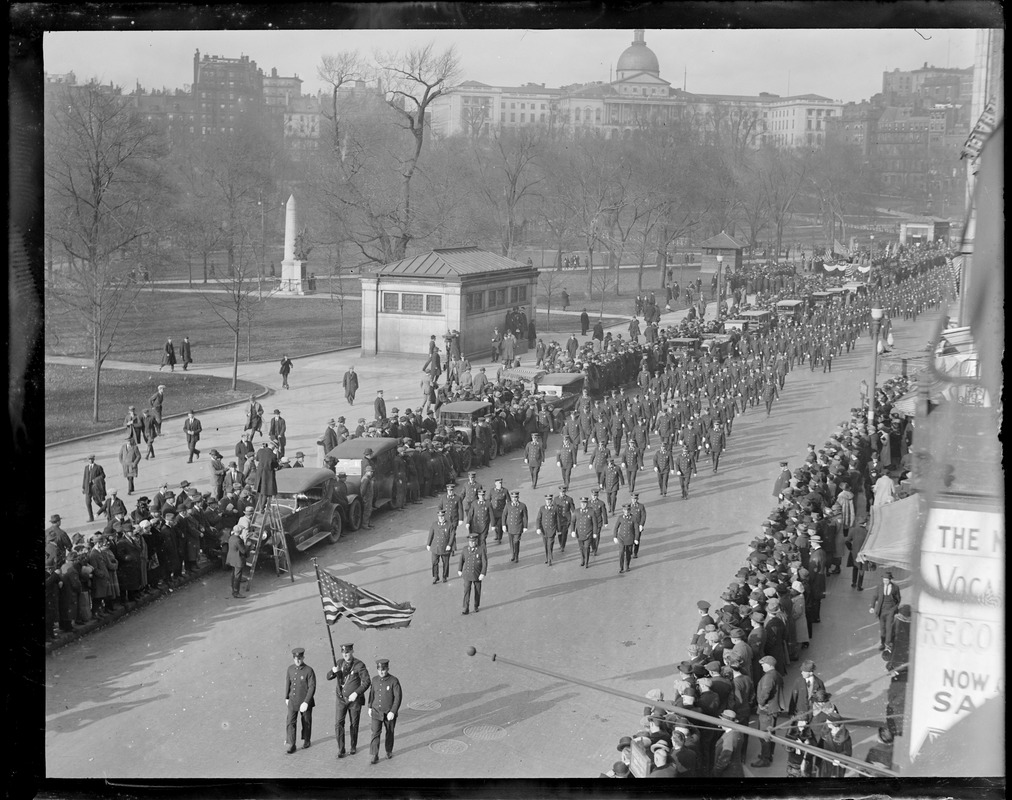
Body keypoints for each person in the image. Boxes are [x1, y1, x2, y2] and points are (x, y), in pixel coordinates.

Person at [327, 643, 371, 758]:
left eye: (347, 652)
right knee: (338, 723)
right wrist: (333, 671)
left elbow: (367, 682)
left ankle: (353, 746)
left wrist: (356, 693)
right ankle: (341, 749)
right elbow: (328, 677)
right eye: (344, 653)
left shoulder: (359, 665)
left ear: (352, 651)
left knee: (354, 724)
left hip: (354, 701)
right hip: (341, 699)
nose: (345, 655)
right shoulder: (339, 663)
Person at [751, 655, 784, 768]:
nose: (762, 667)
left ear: (769, 665)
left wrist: (760, 703)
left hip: (767, 710)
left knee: (764, 734)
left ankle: (765, 758)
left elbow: (765, 692)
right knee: (770, 733)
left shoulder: (768, 677)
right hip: (773, 708)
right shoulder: (776, 675)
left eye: (763, 664)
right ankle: (768, 755)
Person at [367, 658, 402, 763]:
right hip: (376, 711)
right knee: (375, 733)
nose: (381, 672)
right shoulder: (374, 680)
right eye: (379, 670)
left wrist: (393, 711)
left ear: (387, 669)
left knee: (389, 732)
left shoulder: (394, 681)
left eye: (383, 669)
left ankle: (388, 751)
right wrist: (369, 707)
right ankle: (374, 754)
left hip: (389, 713)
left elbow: (398, 697)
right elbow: (372, 694)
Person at [285, 647, 317, 753]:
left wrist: (306, 702)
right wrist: (286, 697)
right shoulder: (290, 669)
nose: (297, 660)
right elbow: (288, 684)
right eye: (295, 658)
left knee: (306, 721)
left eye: (299, 658)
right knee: (290, 721)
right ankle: (291, 744)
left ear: (303, 657)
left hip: (304, 701)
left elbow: (312, 687)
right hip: (293, 700)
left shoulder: (309, 670)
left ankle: (306, 739)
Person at [870, 569, 901, 652]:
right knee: (882, 628)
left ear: (890, 580)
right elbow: (874, 597)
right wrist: (872, 607)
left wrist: (894, 608)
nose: (885, 582)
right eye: (884, 580)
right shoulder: (879, 587)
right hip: (882, 610)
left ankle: (888, 644)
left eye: (887, 580)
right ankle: (883, 643)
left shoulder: (895, 588)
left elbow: (898, 599)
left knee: (889, 628)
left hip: (890, 610)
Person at [458, 532, 487, 614]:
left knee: (477, 590)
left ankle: (476, 605)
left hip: (477, 574)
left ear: (476, 541)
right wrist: (459, 570)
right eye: (470, 541)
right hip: (467, 574)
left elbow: (484, 562)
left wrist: (483, 573)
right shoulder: (464, 549)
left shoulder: (481, 549)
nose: (472, 543)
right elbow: (461, 560)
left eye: (473, 541)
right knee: (466, 590)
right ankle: (465, 608)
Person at [427, 510, 455, 583]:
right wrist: (428, 544)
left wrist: (449, 545)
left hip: (445, 547)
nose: (441, 518)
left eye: (442, 516)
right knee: (434, 562)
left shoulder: (449, 525)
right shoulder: (434, 524)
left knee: (445, 563)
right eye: (440, 516)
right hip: (435, 547)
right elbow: (431, 534)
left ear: (444, 516)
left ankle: (444, 576)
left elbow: (452, 536)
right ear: (438, 517)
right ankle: (436, 576)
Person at [570, 496, 599, 568]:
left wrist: (595, 533)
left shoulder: (591, 511)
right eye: (582, 503)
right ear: (580, 503)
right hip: (579, 533)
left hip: (588, 533)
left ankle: (586, 562)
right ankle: (582, 560)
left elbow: (595, 523)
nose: (583, 505)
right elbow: (573, 522)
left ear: (587, 504)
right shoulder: (576, 511)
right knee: (581, 548)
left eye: (585, 503)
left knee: (586, 547)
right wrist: (572, 531)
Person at [504, 490, 528, 563]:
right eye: (513, 497)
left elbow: (525, 517)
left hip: (518, 527)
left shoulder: (522, 506)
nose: (514, 499)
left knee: (516, 541)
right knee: (511, 542)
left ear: (518, 497)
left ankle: (516, 556)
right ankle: (513, 555)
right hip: (510, 526)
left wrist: (525, 526)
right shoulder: (508, 505)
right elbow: (504, 515)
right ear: (511, 498)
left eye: (516, 497)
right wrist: (503, 525)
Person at [82, 454, 107, 522]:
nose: (91, 460)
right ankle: (91, 517)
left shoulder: (98, 467)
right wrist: (83, 487)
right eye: (89, 459)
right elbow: (85, 478)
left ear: (94, 459)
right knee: (87, 503)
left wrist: (95, 480)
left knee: (97, 501)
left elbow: (103, 475)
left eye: (92, 459)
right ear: (88, 460)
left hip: (95, 487)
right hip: (88, 488)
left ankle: (104, 509)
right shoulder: (86, 468)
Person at [613, 504, 638, 574]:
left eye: (628, 510)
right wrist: (615, 536)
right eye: (625, 510)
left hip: (630, 538)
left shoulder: (633, 518)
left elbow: (636, 529)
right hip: (621, 538)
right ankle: (621, 567)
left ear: (630, 511)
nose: (626, 512)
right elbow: (616, 527)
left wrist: (636, 538)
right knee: (621, 552)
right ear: (623, 511)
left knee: (628, 553)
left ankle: (627, 566)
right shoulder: (620, 517)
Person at [225, 524, 247, 598]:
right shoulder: (238, 540)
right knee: (237, 576)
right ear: (240, 531)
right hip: (237, 560)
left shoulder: (231, 538)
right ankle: (236, 592)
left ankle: (233, 588)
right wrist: (249, 546)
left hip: (231, 559)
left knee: (233, 574)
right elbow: (243, 551)